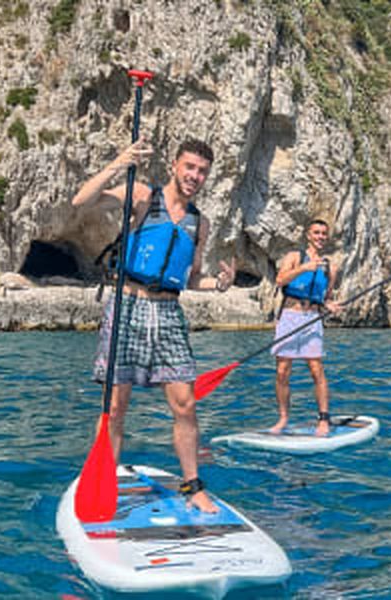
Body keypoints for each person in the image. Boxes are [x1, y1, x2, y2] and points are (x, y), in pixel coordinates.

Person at [72, 137, 236, 513]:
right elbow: (82, 201)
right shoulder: (144, 196)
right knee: (114, 407)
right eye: (190, 167)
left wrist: (219, 284)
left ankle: (193, 485)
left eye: (202, 171)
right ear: (175, 166)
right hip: (128, 304)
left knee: (185, 405)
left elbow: (191, 278)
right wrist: (120, 161)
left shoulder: (200, 222)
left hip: (168, 314)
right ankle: (104, 481)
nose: (195, 176)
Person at [271, 219, 340, 436]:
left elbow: (325, 298)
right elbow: (280, 280)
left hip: (312, 319)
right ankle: (283, 418)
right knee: (282, 371)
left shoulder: (331, 267)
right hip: (290, 316)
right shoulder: (295, 256)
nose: (320, 237)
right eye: (316, 233)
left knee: (316, 369)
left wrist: (330, 305)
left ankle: (323, 419)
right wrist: (303, 268)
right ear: (308, 235)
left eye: (323, 234)